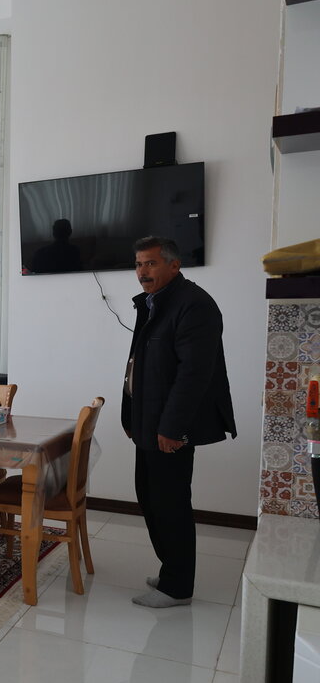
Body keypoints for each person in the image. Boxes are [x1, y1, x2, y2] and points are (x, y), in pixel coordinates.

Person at [122, 236, 235, 608]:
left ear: (174, 265)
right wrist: (131, 416)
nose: (142, 272)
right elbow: (141, 365)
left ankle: (177, 586)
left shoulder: (194, 305)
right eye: (138, 264)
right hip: (148, 422)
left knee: (170, 504)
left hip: (168, 428)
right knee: (150, 498)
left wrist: (172, 429)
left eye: (151, 263)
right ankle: (172, 569)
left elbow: (193, 376)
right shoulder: (155, 302)